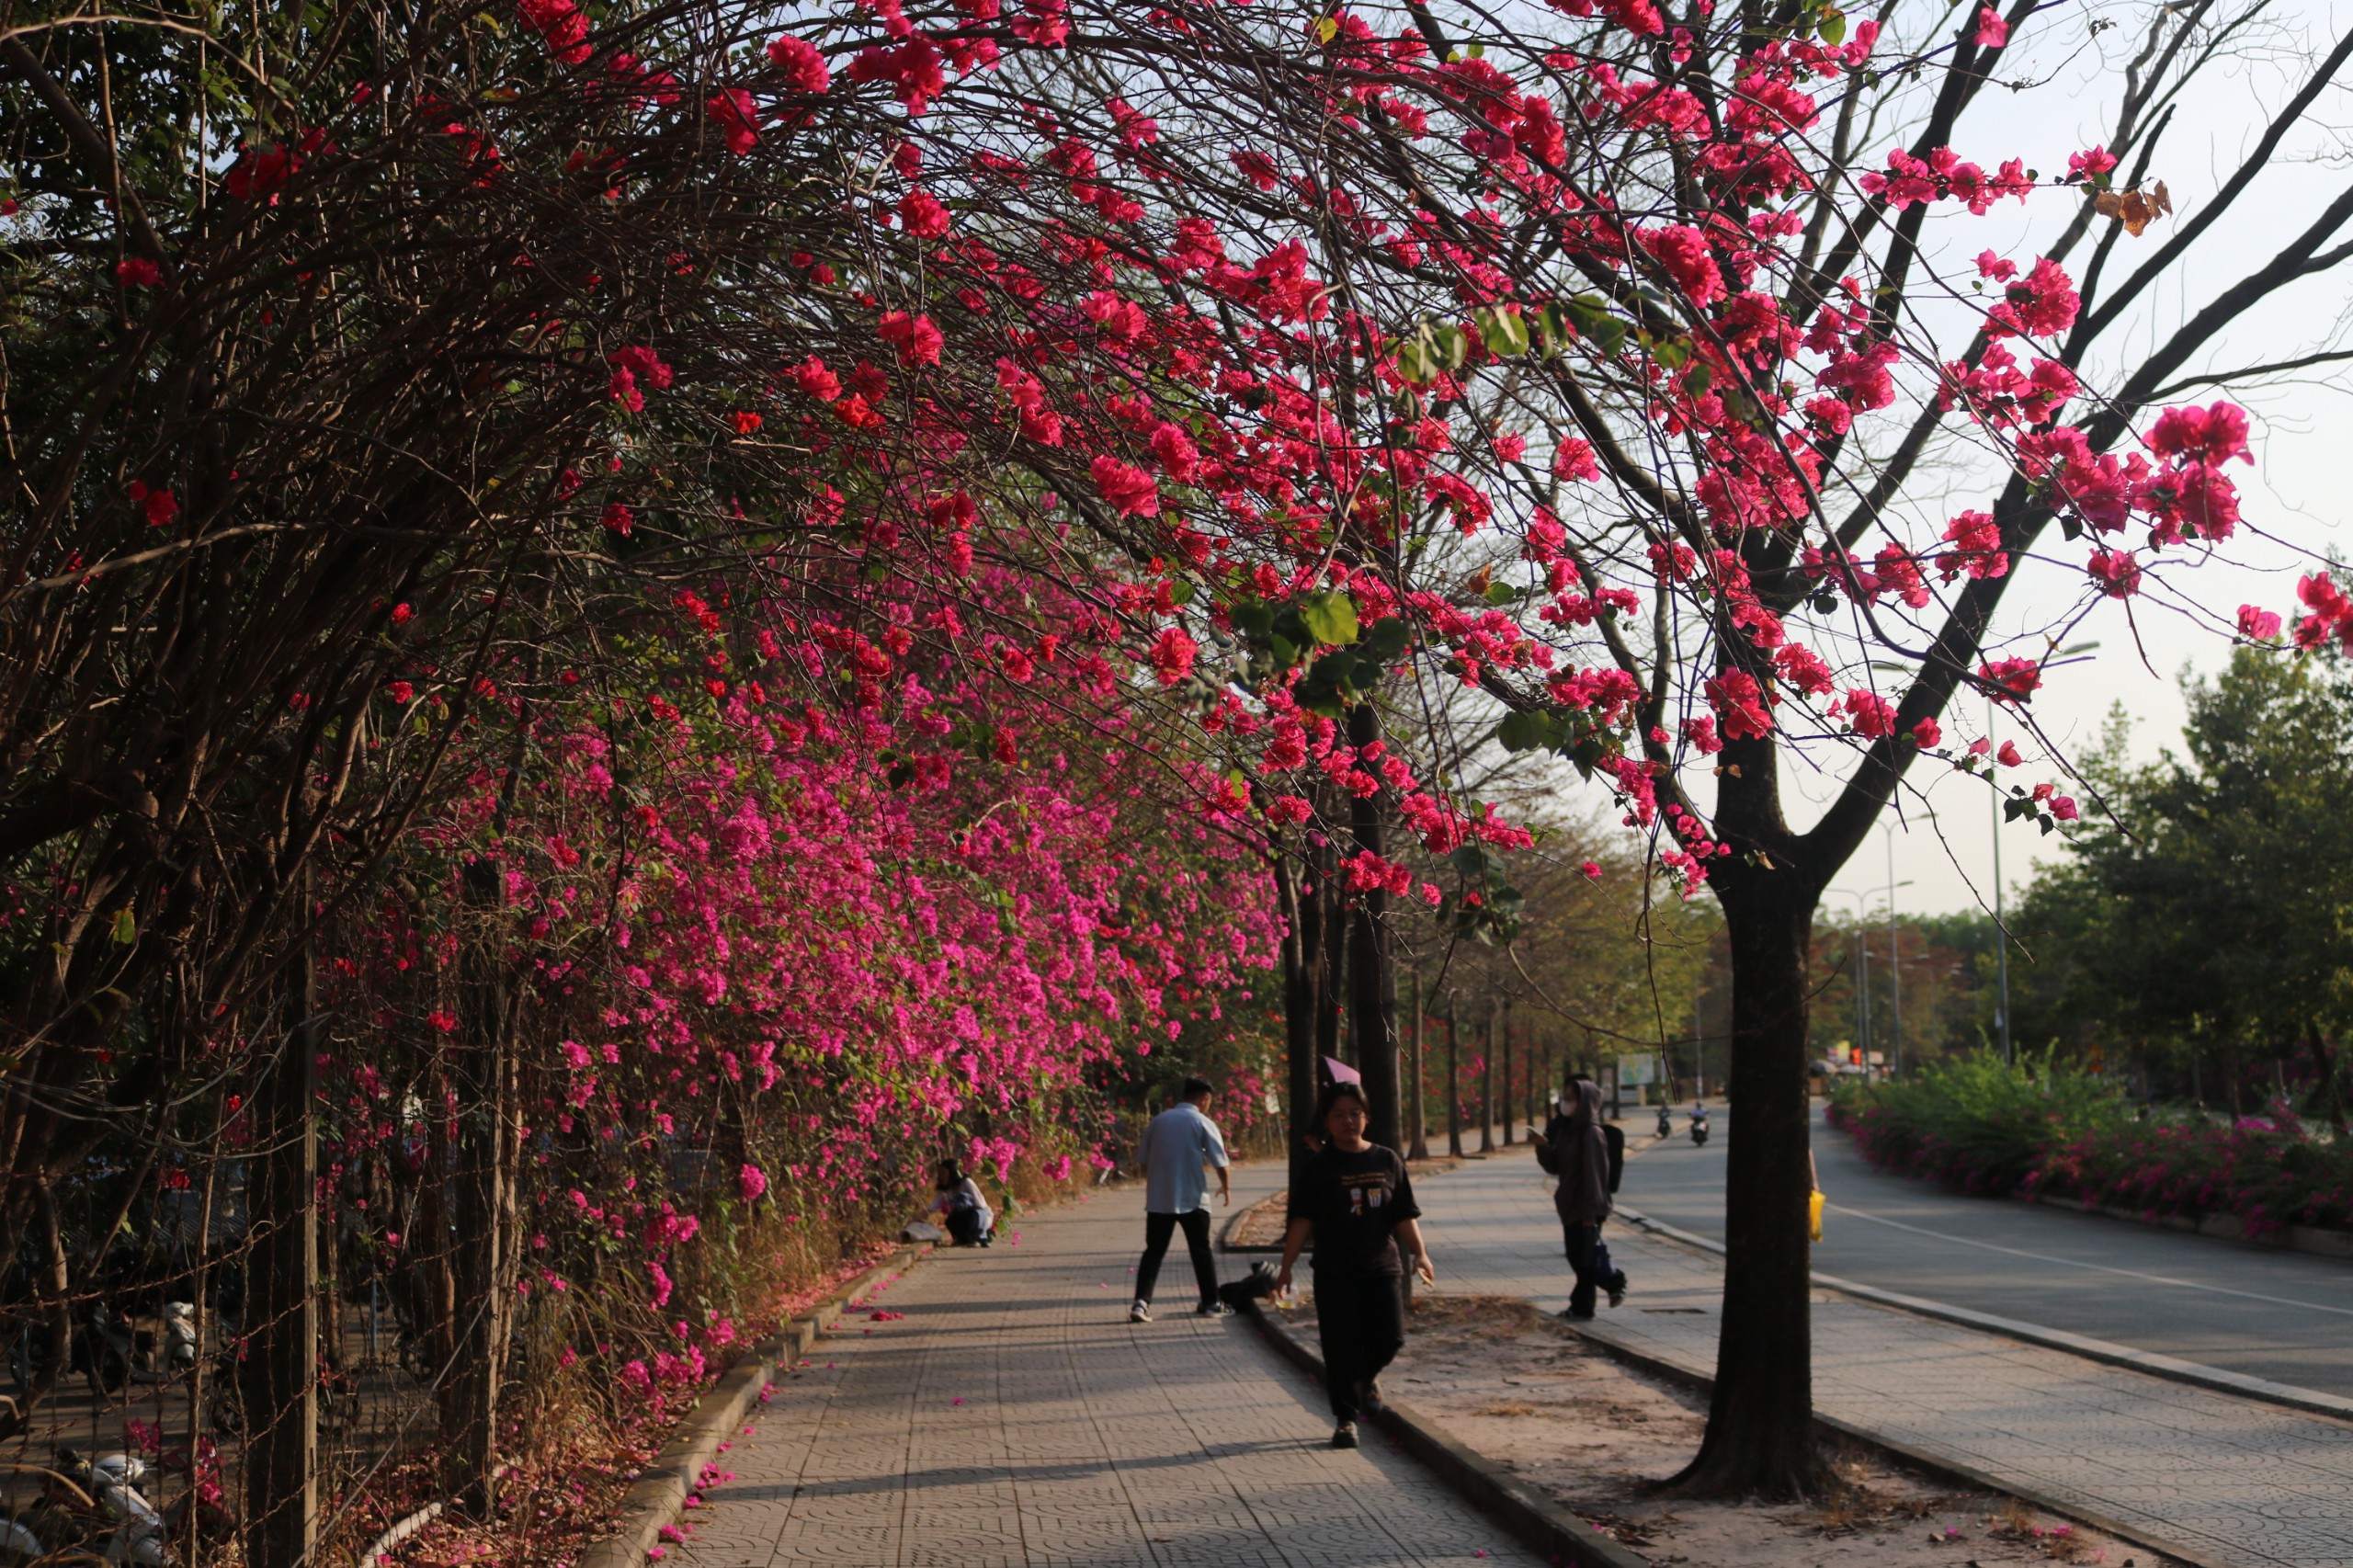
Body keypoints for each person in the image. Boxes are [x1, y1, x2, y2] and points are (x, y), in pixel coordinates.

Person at [1276, 1081, 1436, 1450]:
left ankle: (1364, 1378)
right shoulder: (1317, 1168)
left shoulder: (1386, 1160)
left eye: (1355, 1113)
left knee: (1391, 1338)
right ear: (1327, 1122)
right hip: (1335, 1271)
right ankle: (1346, 1420)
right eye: (1339, 1115)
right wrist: (1285, 1268)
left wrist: (1420, 1253)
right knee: (1339, 1346)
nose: (1348, 1121)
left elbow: (1404, 1214)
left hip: (1382, 1266)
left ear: (1366, 1117)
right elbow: (1301, 1221)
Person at [1130, 1076, 1231, 1323]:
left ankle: (1141, 1304)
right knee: (1201, 1252)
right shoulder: (1202, 1122)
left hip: (1159, 1200)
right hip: (1193, 1199)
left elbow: (1142, 1159)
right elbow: (1220, 1161)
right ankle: (1211, 1303)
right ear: (1204, 1099)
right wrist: (1226, 1188)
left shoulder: (1158, 1121)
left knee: (1154, 1251)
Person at [1544, 1077, 1624, 1318]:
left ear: (1585, 1102)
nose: (1565, 1103)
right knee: (1576, 1256)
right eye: (1564, 1097)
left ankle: (1586, 1303)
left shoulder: (1591, 1134)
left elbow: (1595, 1175)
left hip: (1587, 1206)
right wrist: (1541, 1147)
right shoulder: (1568, 1132)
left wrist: (1590, 1214)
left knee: (1584, 1260)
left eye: (1570, 1098)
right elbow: (1555, 1166)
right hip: (1570, 1205)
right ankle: (1611, 1284)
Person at [927, 1159, 994, 1247]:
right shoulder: (944, 1190)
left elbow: (981, 1205)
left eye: (943, 1173)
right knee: (950, 1220)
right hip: (962, 1217)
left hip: (979, 1216)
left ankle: (974, 1238)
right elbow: (931, 1208)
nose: (941, 1177)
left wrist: (963, 1204)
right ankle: (962, 1239)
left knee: (968, 1215)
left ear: (952, 1173)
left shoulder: (967, 1183)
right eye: (940, 1174)